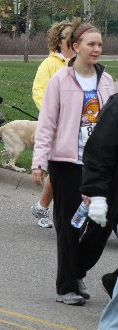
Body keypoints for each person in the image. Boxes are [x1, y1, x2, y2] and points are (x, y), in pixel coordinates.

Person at [31, 21, 114, 306]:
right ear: (76, 47)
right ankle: (66, 286)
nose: (97, 49)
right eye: (91, 44)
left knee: (103, 223)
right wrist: (39, 162)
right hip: (67, 163)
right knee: (70, 226)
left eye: (99, 44)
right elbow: (47, 124)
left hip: (99, 165)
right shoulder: (60, 81)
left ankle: (76, 269)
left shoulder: (106, 80)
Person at [29, 20, 75, 228]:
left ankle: (44, 206)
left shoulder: (83, 63)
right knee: (61, 170)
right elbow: (39, 92)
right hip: (58, 125)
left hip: (80, 125)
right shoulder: (49, 64)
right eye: (68, 37)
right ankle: (45, 206)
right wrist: (53, 114)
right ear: (59, 41)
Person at [77, 93, 118, 304]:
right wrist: (96, 193)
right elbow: (98, 152)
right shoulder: (116, 107)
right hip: (112, 187)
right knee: (98, 233)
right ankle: (73, 272)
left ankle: (114, 280)